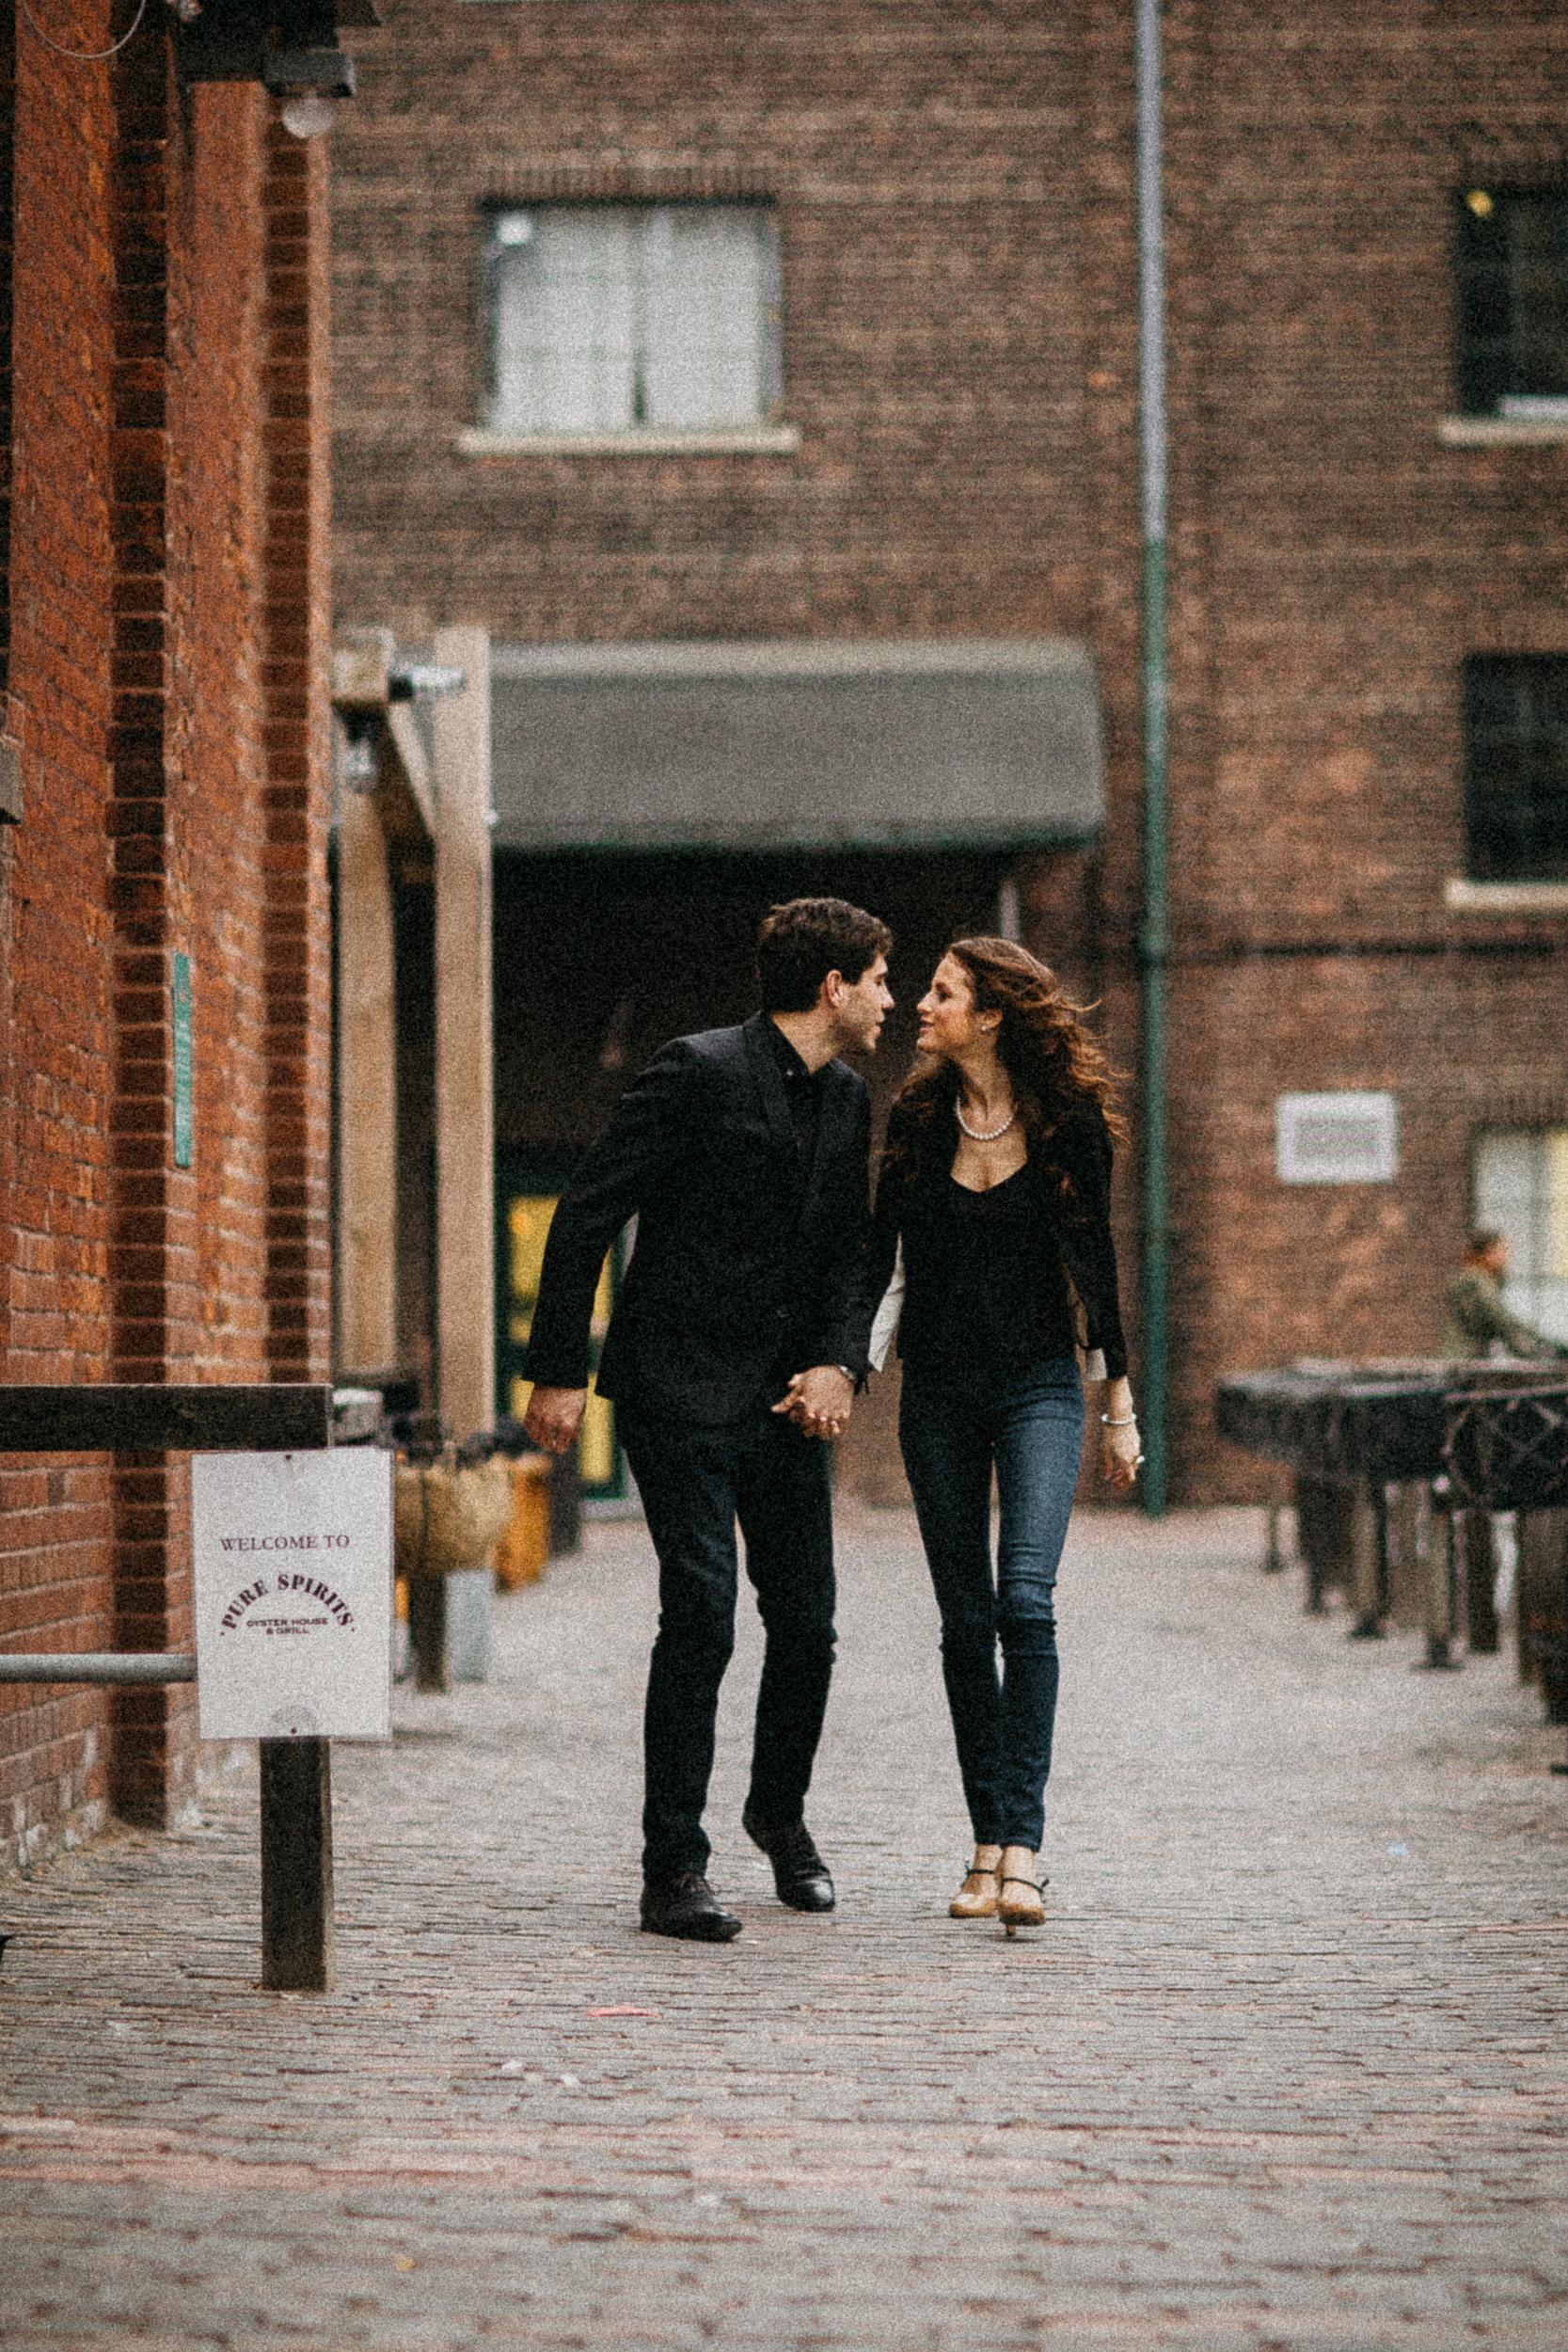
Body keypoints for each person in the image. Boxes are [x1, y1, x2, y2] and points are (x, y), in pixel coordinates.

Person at [522, 898, 895, 1942]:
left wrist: (837, 1361)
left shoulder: (851, 1097)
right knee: (700, 1612)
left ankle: (778, 1814)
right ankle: (671, 1867)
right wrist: (555, 1368)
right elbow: (589, 1206)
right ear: (832, 987)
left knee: (808, 1627)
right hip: (675, 1388)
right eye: (877, 977)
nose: (887, 997)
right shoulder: (698, 1068)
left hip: (785, 1404)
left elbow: (848, 1254)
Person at [858, 936, 1137, 1933]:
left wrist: (1119, 1404)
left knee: (1026, 1597)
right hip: (936, 1391)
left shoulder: (1066, 1126)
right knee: (963, 1620)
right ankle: (985, 1847)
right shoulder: (917, 1118)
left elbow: (1094, 1269)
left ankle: (1021, 1847)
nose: (919, 1007)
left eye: (940, 993)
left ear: (990, 1015)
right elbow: (881, 1262)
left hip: (1037, 1389)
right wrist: (846, 1368)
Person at [1439, 1230, 1565, 1361]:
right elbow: (1499, 1317)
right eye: (1503, 1250)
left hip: (1466, 1357)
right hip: (1462, 1358)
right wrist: (1540, 1345)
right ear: (1489, 1251)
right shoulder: (1476, 1280)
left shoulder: (1478, 1277)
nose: (1507, 1256)